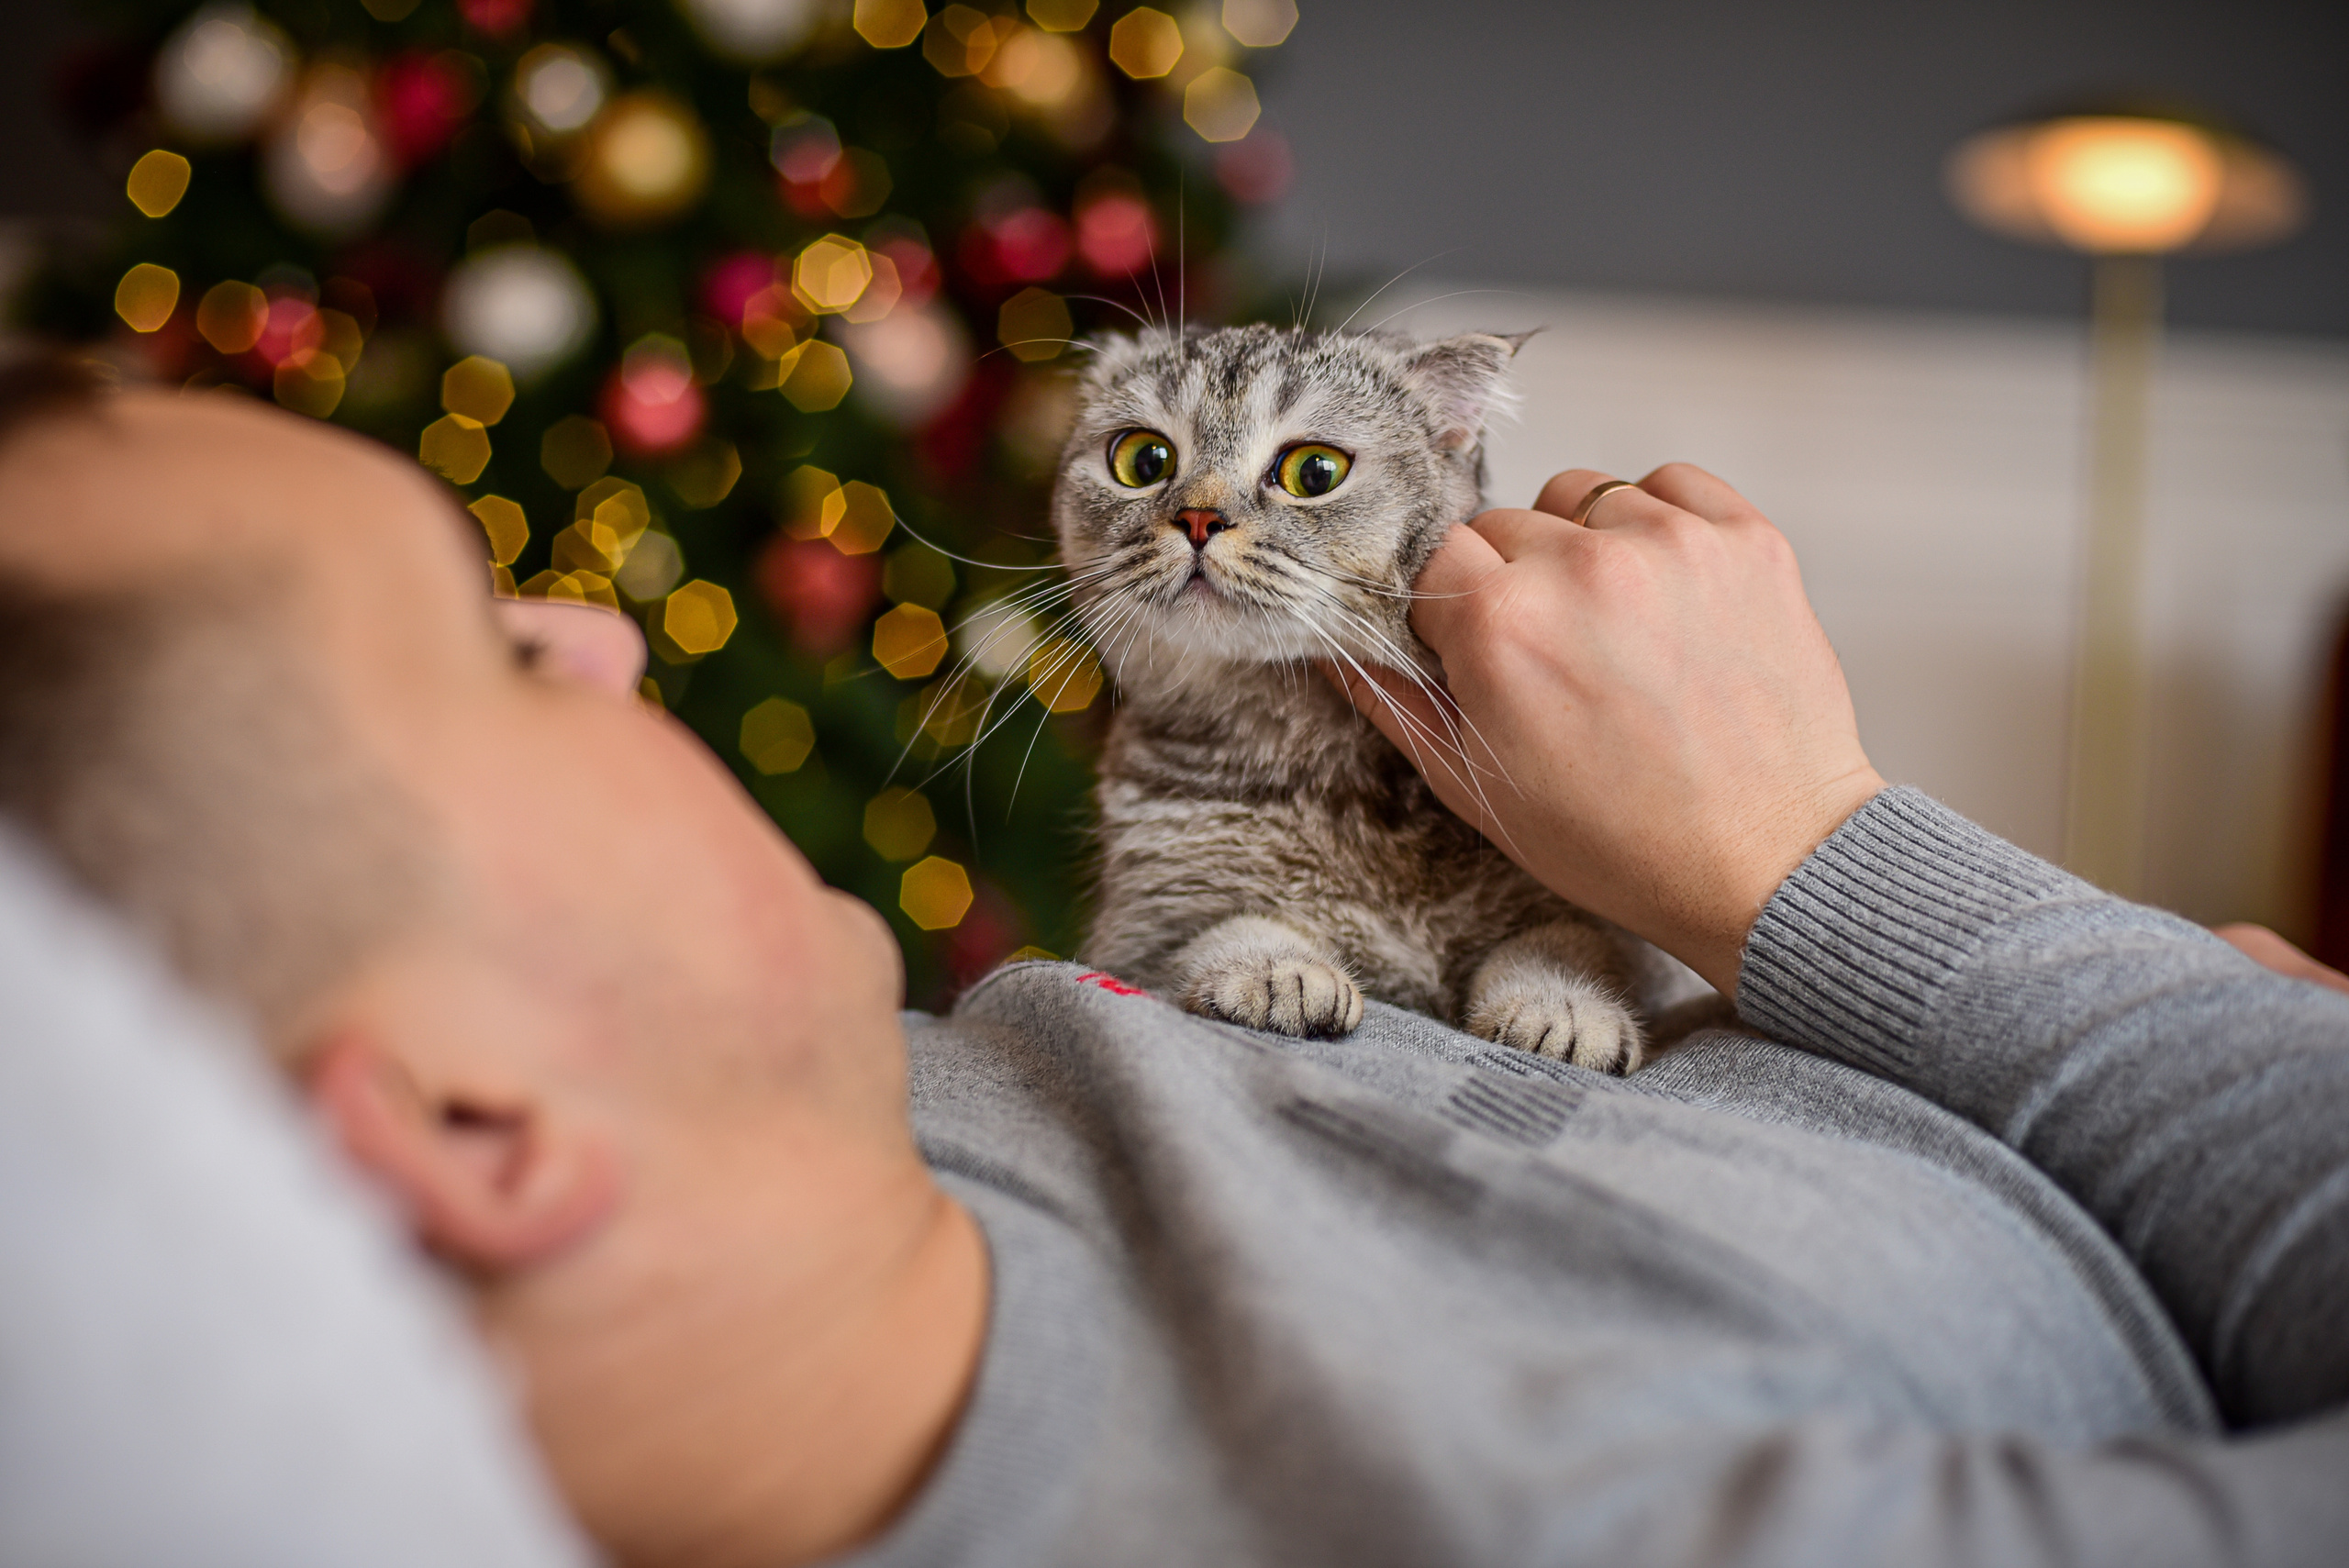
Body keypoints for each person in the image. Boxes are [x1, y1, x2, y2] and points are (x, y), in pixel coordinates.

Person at [0, 358, 2343, 1568]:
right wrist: (1824, 860)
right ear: (470, 1118)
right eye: (495, 651)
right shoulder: (1534, 1519)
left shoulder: (908, 1100)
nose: (603, 635)